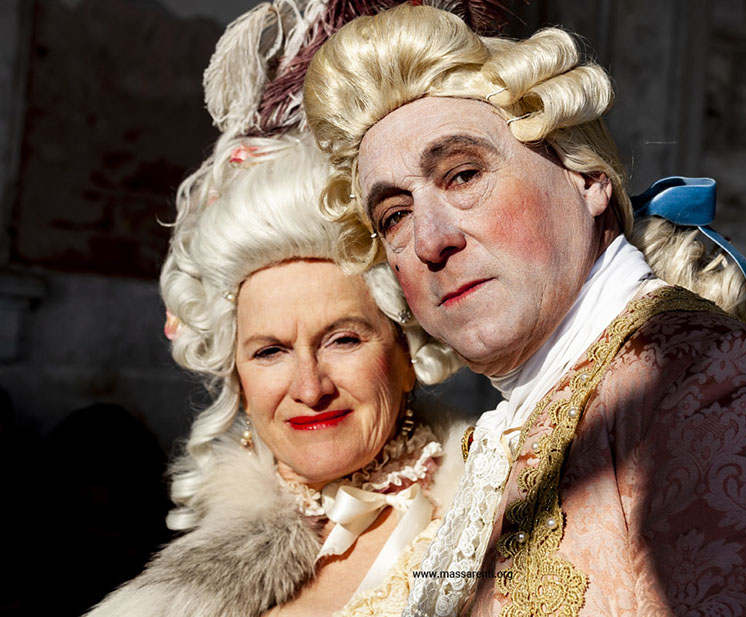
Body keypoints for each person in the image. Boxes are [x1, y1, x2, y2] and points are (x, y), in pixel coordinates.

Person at [302, 5, 746, 616]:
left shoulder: (707, 383)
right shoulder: (515, 427)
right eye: (395, 216)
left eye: (462, 175)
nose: (430, 241)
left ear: (586, 177)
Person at [84, 3, 494, 616]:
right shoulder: (164, 604)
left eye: (343, 339)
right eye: (270, 351)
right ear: (237, 379)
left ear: (407, 354)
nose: (309, 387)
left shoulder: (506, 519)